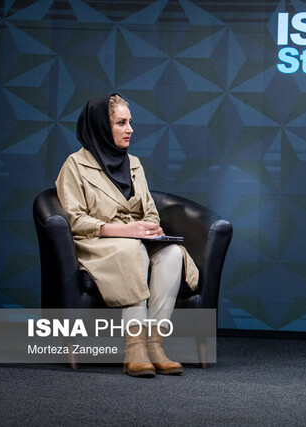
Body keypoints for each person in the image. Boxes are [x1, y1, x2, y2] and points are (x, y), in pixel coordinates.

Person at [55, 93, 199, 377]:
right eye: (121, 123)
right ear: (100, 126)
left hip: (135, 241)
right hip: (98, 245)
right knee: (131, 250)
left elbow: (150, 211)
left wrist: (151, 228)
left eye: (130, 122)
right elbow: (75, 219)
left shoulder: (134, 163)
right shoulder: (74, 165)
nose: (130, 129)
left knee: (172, 254)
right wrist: (125, 231)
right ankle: (134, 348)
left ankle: (155, 345)